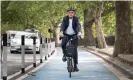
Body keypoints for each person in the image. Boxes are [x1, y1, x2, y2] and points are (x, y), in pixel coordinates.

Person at [60, 7, 81, 71]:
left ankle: (75, 66)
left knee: (75, 50)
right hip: (66, 35)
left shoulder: (76, 18)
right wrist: (61, 32)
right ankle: (64, 54)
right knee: (63, 44)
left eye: (72, 12)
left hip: (74, 35)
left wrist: (79, 32)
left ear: (74, 13)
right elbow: (62, 25)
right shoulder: (65, 18)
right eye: (69, 12)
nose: (70, 14)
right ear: (67, 13)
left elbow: (78, 25)